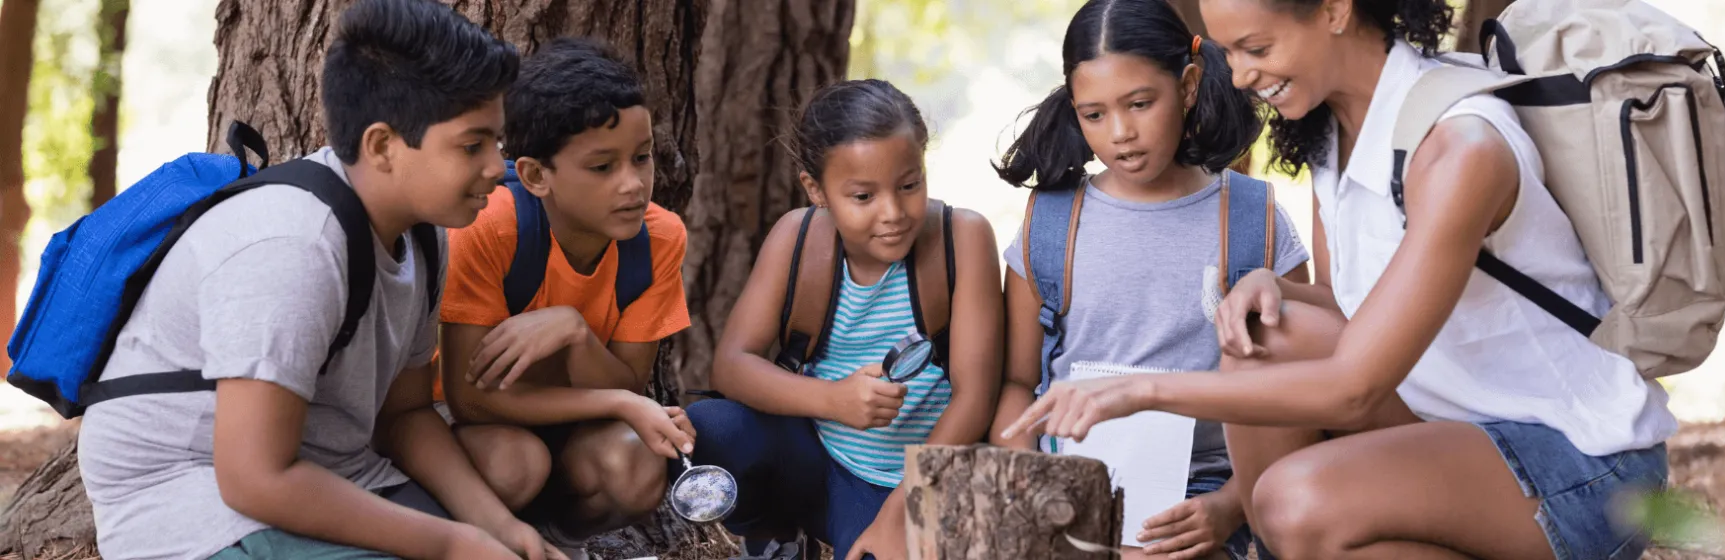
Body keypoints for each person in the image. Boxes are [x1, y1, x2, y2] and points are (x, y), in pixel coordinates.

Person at [1000, 0, 1679, 558]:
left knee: (1296, 501)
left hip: (1582, 469)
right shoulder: (1337, 133)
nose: (1237, 76)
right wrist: (1277, 286)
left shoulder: (1459, 146)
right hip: (1457, 426)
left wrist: (1140, 390)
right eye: (1230, 54)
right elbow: (1363, 312)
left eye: (1256, 49)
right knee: (1260, 339)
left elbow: (1356, 389)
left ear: (1333, 10)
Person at [74, 0, 561, 558]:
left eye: (496, 143)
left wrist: (497, 527)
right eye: (472, 145)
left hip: (326, 467)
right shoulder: (297, 245)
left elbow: (403, 415)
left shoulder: (425, 235)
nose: (495, 167)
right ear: (382, 146)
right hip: (195, 495)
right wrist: (452, 544)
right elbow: (254, 479)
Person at [987, 1, 1313, 558]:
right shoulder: (1050, 225)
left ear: (1188, 86)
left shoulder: (1252, 220)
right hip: (1063, 490)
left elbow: (1303, 393)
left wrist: (1231, 505)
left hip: (1202, 503)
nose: (1121, 134)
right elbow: (1019, 383)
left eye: (1140, 104)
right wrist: (1027, 482)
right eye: (1094, 114)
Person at [688, 79, 1005, 560]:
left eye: (909, 185)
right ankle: (775, 539)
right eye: (863, 196)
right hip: (814, 458)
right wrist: (833, 399)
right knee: (713, 428)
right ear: (815, 189)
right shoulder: (797, 239)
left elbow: (976, 396)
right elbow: (731, 365)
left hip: (908, 478)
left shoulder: (963, 238)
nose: (894, 212)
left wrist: (905, 503)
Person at [435, 37, 697, 560]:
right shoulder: (490, 229)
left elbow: (626, 380)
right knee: (516, 462)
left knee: (636, 465)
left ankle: (552, 543)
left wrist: (575, 332)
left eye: (641, 158)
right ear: (536, 175)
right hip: (467, 428)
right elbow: (470, 400)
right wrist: (622, 402)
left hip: (566, 426)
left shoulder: (658, 238)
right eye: (602, 167)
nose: (633, 185)